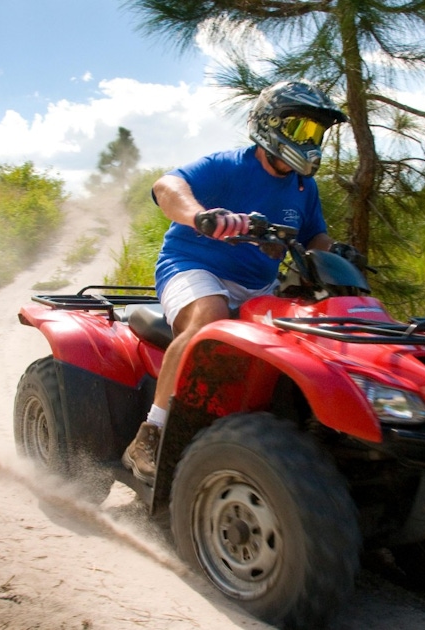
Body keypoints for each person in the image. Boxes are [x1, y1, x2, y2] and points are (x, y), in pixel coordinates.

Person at [122, 80, 355, 484]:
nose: (311, 141)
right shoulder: (228, 165)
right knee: (209, 318)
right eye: (302, 129)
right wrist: (201, 217)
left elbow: (314, 235)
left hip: (257, 287)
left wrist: (334, 252)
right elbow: (166, 187)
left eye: (317, 132)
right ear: (272, 125)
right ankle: (151, 434)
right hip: (192, 267)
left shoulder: (304, 187)